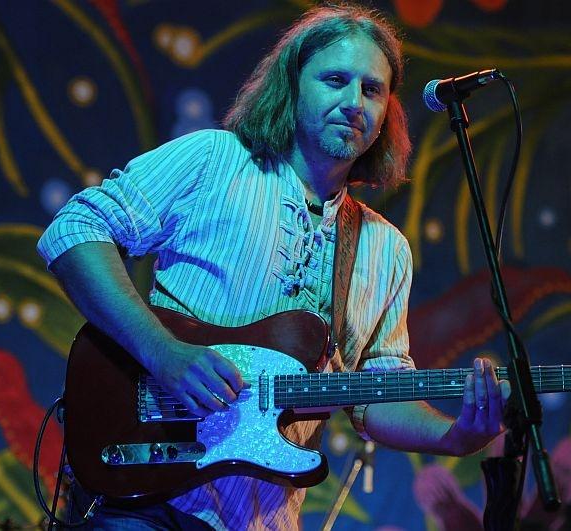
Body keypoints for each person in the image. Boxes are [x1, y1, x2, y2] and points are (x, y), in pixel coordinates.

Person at [38, 4, 512, 530]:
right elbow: (73, 231)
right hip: (145, 495)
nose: (354, 102)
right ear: (293, 85)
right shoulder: (214, 161)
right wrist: (163, 352)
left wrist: (456, 437)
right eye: (335, 80)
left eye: (372, 90)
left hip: (261, 519)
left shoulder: (386, 249)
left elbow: (375, 396)